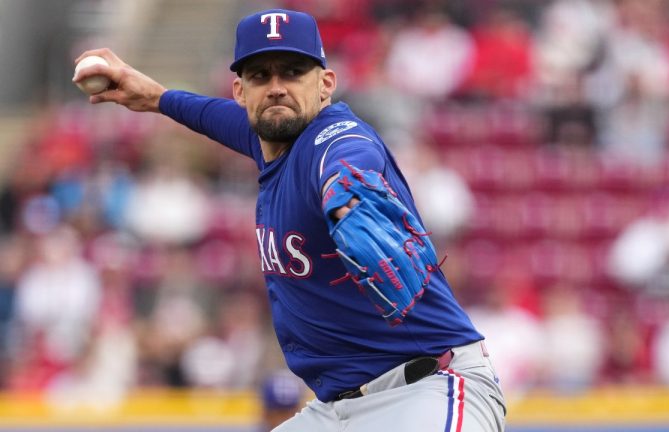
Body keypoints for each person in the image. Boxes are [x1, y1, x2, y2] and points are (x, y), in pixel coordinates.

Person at [73, 8, 506, 432]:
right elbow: (214, 117)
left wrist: (345, 194)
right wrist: (156, 98)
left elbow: (348, 162)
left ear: (326, 85)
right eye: (261, 76)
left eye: (294, 72)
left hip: (425, 390)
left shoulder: (336, 139)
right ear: (240, 92)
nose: (277, 88)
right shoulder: (268, 138)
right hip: (335, 409)